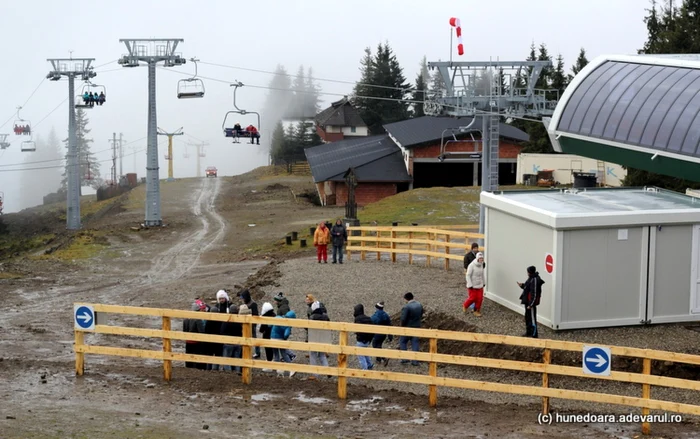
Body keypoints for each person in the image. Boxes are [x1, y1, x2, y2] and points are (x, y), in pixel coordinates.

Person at [206, 290, 231, 370]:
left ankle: (216, 368)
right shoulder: (217, 306)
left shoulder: (229, 305)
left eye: (223, 298)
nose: (221, 300)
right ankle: (213, 368)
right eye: (220, 299)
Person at [518, 266, 545, 338]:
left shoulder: (535, 279)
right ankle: (529, 332)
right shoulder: (532, 278)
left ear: (530, 272)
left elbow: (534, 293)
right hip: (528, 302)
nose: (527, 273)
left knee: (532, 319)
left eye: (528, 271)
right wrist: (522, 285)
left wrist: (531, 304)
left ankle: (534, 335)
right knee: (527, 317)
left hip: (530, 303)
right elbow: (528, 288)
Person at [271, 308, 297, 377]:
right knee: (284, 354)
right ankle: (291, 369)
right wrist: (284, 338)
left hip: (272, 338)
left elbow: (269, 325)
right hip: (280, 339)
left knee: (276, 355)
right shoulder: (287, 325)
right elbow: (286, 334)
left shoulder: (278, 317)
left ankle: (279, 371)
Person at [308, 301, 330, 379]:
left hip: (314, 338)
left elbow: (308, 327)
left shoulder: (312, 317)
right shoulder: (325, 316)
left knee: (313, 355)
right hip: (323, 337)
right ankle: (327, 370)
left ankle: (315, 374)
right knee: (322, 355)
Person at [399, 292, 423, 366]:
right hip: (416, 327)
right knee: (415, 343)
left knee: (403, 342)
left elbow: (403, 319)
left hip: (407, 328)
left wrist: (402, 326)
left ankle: (404, 358)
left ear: (406, 299)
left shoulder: (407, 307)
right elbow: (421, 314)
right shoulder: (419, 305)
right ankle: (415, 361)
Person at [183, 299, 207, 369]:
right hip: (196, 342)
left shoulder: (186, 319)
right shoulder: (198, 319)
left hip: (188, 341)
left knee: (189, 357)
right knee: (197, 357)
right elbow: (201, 331)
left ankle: (188, 368)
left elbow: (184, 330)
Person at [220, 304, 242, 372]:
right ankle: (237, 372)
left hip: (228, 343)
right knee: (237, 359)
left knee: (227, 360)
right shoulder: (240, 320)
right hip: (238, 342)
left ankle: (229, 374)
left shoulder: (227, 320)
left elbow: (222, 331)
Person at [240, 289, 261, 359]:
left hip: (252, 324)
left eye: (243, 298)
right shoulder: (245, 303)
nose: (242, 299)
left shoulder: (253, 304)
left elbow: (256, 315)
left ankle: (258, 352)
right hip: (245, 323)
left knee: (254, 338)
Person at [353, 304, 375, 370]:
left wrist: (357, 333)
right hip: (367, 339)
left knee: (360, 355)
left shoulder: (357, 319)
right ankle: (369, 364)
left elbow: (357, 329)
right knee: (365, 352)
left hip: (361, 339)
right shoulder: (368, 318)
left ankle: (364, 369)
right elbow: (372, 330)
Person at [464, 252, 485, 317]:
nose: (481, 259)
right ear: (477, 258)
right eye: (480, 258)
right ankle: (465, 306)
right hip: (472, 286)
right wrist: (469, 284)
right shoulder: (471, 265)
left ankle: (476, 310)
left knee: (480, 299)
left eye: (482, 258)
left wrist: (484, 282)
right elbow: (468, 275)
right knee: (472, 298)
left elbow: (482, 275)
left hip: (480, 285)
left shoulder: (481, 265)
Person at [371, 301, 392, 366]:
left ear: (377, 308)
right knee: (379, 345)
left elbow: (371, 321)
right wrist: (390, 335)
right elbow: (389, 324)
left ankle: (381, 358)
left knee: (375, 345)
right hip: (384, 333)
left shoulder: (376, 315)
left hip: (377, 333)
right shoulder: (386, 315)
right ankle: (379, 359)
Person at [258, 302, 277, 369]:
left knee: (268, 350)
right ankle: (275, 362)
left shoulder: (265, 317)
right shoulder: (274, 315)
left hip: (266, 336)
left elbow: (261, 329)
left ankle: (269, 364)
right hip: (274, 335)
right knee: (274, 350)